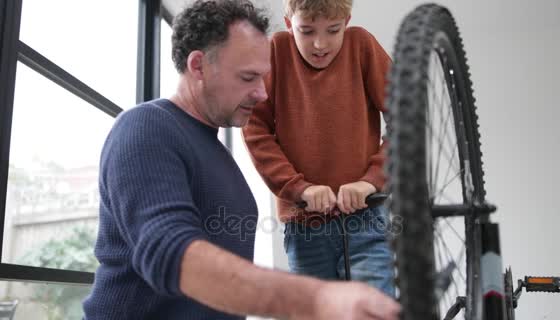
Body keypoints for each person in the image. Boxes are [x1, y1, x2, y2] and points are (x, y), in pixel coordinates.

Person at [82, 1, 400, 319]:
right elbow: (168, 253)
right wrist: (313, 299)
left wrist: (371, 179)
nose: (263, 93)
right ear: (198, 67)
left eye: (263, 78)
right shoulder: (146, 127)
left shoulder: (220, 159)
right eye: (249, 77)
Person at [242, 0, 394, 297]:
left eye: (333, 30)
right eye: (307, 31)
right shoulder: (276, 51)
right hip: (304, 225)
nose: (320, 44)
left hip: (366, 216)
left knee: (373, 309)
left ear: (347, 21)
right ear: (289, 23)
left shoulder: (362, 45)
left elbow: (407, 117)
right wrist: (297, 188)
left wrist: (370, 181)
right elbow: (254, 128)